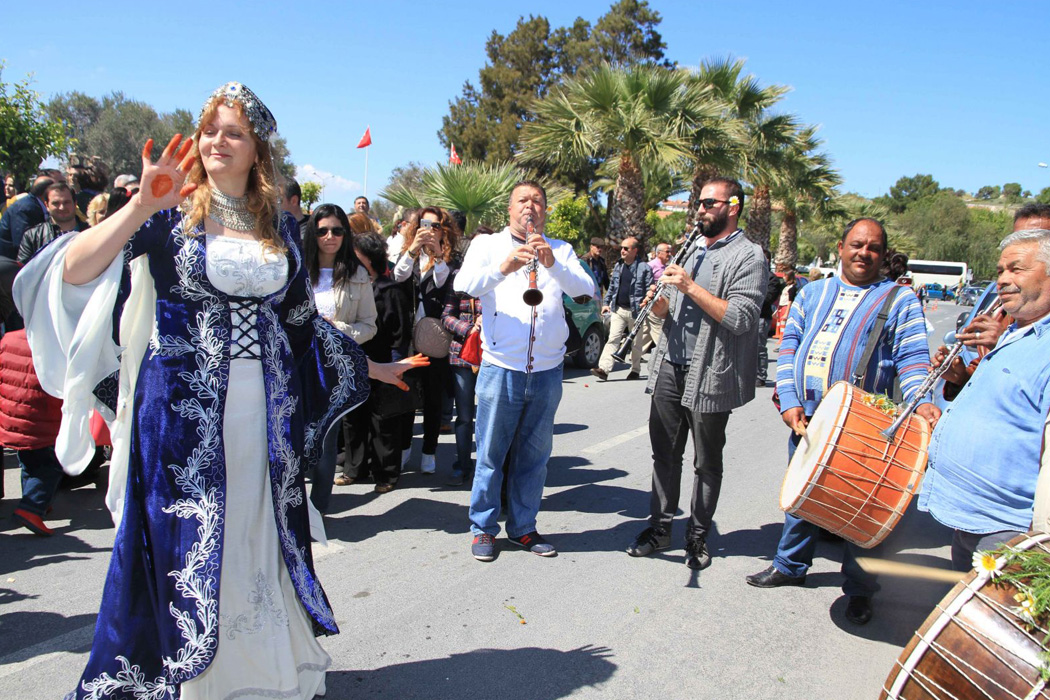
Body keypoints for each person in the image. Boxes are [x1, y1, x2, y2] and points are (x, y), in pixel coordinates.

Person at [14, 82, 422, 700]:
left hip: (265, 409)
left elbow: (301, 327)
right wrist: (139, 209)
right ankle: (181, 673)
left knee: (256, 523)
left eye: (233, 132)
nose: (216, 142)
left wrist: (372, 369)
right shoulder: (172, 213)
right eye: (209, 130)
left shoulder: (283, 228)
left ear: (257, 148)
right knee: (189, 533)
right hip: (182, 414)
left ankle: (254, 666)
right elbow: (73, 271)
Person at [745, 218, 940, 626]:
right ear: (840, 247)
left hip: (864, 427)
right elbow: (789, 347)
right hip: (809, 419)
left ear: (883, 255)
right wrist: (790, 399)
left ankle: (860, 590)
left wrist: (922, 403)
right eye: (856, 244)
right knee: (804, 498)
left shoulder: (898, 300)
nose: (863, 253)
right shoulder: (812, 293)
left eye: (873, 247)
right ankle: (790, 565)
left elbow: (912, 359)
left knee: (860, 507)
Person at [625, 177, 766, 571]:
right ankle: (659, 528)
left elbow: (740, 318)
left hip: (710, 372)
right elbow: (668, 309)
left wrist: (688, 286)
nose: (700, 210)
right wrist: (655, 302)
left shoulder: (748, 256)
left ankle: (698, 536)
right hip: (670, 364)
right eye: (698, 203)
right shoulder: (690, 251)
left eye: (708, 203)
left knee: (706, 461)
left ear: (732, 206)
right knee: (664, 455)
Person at [454, 180, 594, 561]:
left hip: (547, 371)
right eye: (522, 200)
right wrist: (504, 266)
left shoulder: (561, 249)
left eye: (537, 201)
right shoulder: (487, 245)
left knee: (535, 457)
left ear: (545, 210)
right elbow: (463, 283)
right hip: (501, 368)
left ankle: (523, 528)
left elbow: (586, 289)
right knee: (490, 454)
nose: (530, 207)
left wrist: (552, 264)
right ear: (509, 209)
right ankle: (482, 528)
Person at [919, 227, 1050, 570]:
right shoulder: (1015, 333)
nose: (1003, 280)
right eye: (1000, 271)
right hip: (975, 521)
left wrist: (1042, 544)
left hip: (1011, 531)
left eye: (1016, 269)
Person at [302, 203, 378, 511]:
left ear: (346, 234)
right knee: (294, 438)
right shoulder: (296, 269)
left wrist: (338, 329)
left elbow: (369, 325)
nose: (330, 236)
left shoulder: (357, 273)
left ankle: (318, 508)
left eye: (337, 230)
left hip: (335, 367)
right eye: (322, 231)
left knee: (327, 439)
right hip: (297, 364)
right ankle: (292, 509)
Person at [340, 233, 416, 492]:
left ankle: (386, 474)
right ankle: (354, 468)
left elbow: (400, 331)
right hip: (353, 360)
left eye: (356, 254)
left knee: (383, 420)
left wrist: (397, 364)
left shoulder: (389, 290)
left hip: (384, 361)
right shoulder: (348, 286)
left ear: (369, 258)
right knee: (353, 418)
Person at [393, 206, 459, 475]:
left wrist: (438, 254)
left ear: (443, 230)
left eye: (436, 225)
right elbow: (398, 276)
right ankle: (405, 448)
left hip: (434, 339)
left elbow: (444, 283)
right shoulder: (407, 253)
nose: (430, 230)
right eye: (425, 224)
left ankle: (429, 451)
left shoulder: (451, 259)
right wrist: (413, 249)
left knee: (433, 398)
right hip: (407, 336)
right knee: (406, 396)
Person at [441, 266, 483, 487]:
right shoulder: (459, 276)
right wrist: (468, 328)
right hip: (462, 355)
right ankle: (463, 466)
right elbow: (446, 316)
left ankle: (490, 468)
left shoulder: (503, 274)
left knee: (492, 417)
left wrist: (489, 324)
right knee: (465, 416)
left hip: (494, 355)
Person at [592, 237, 653, 381]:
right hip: (618, 310)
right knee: (613, 338)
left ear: (635, 250)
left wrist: (646, 303)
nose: (623, 251)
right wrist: (606, 303)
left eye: (626, 248)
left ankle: (635, 370)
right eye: (622, 248)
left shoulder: (644, 268)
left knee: (636, 344)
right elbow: (612, 287)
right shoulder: (619, 266)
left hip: (636, 312)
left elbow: (650, 290)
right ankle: (604, 369)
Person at [18, 182, 86, 264]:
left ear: (75, 204)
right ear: (46, 205)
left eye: (66, 202)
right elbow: (23, 271)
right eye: (56, 203)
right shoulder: (32, 236)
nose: (62, 207)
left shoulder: (90, 231)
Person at [0, 174, 54, 260]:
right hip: (10, 262)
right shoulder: (24, 208)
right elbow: (21, 242)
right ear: (47, 192)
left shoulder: (34, 204)